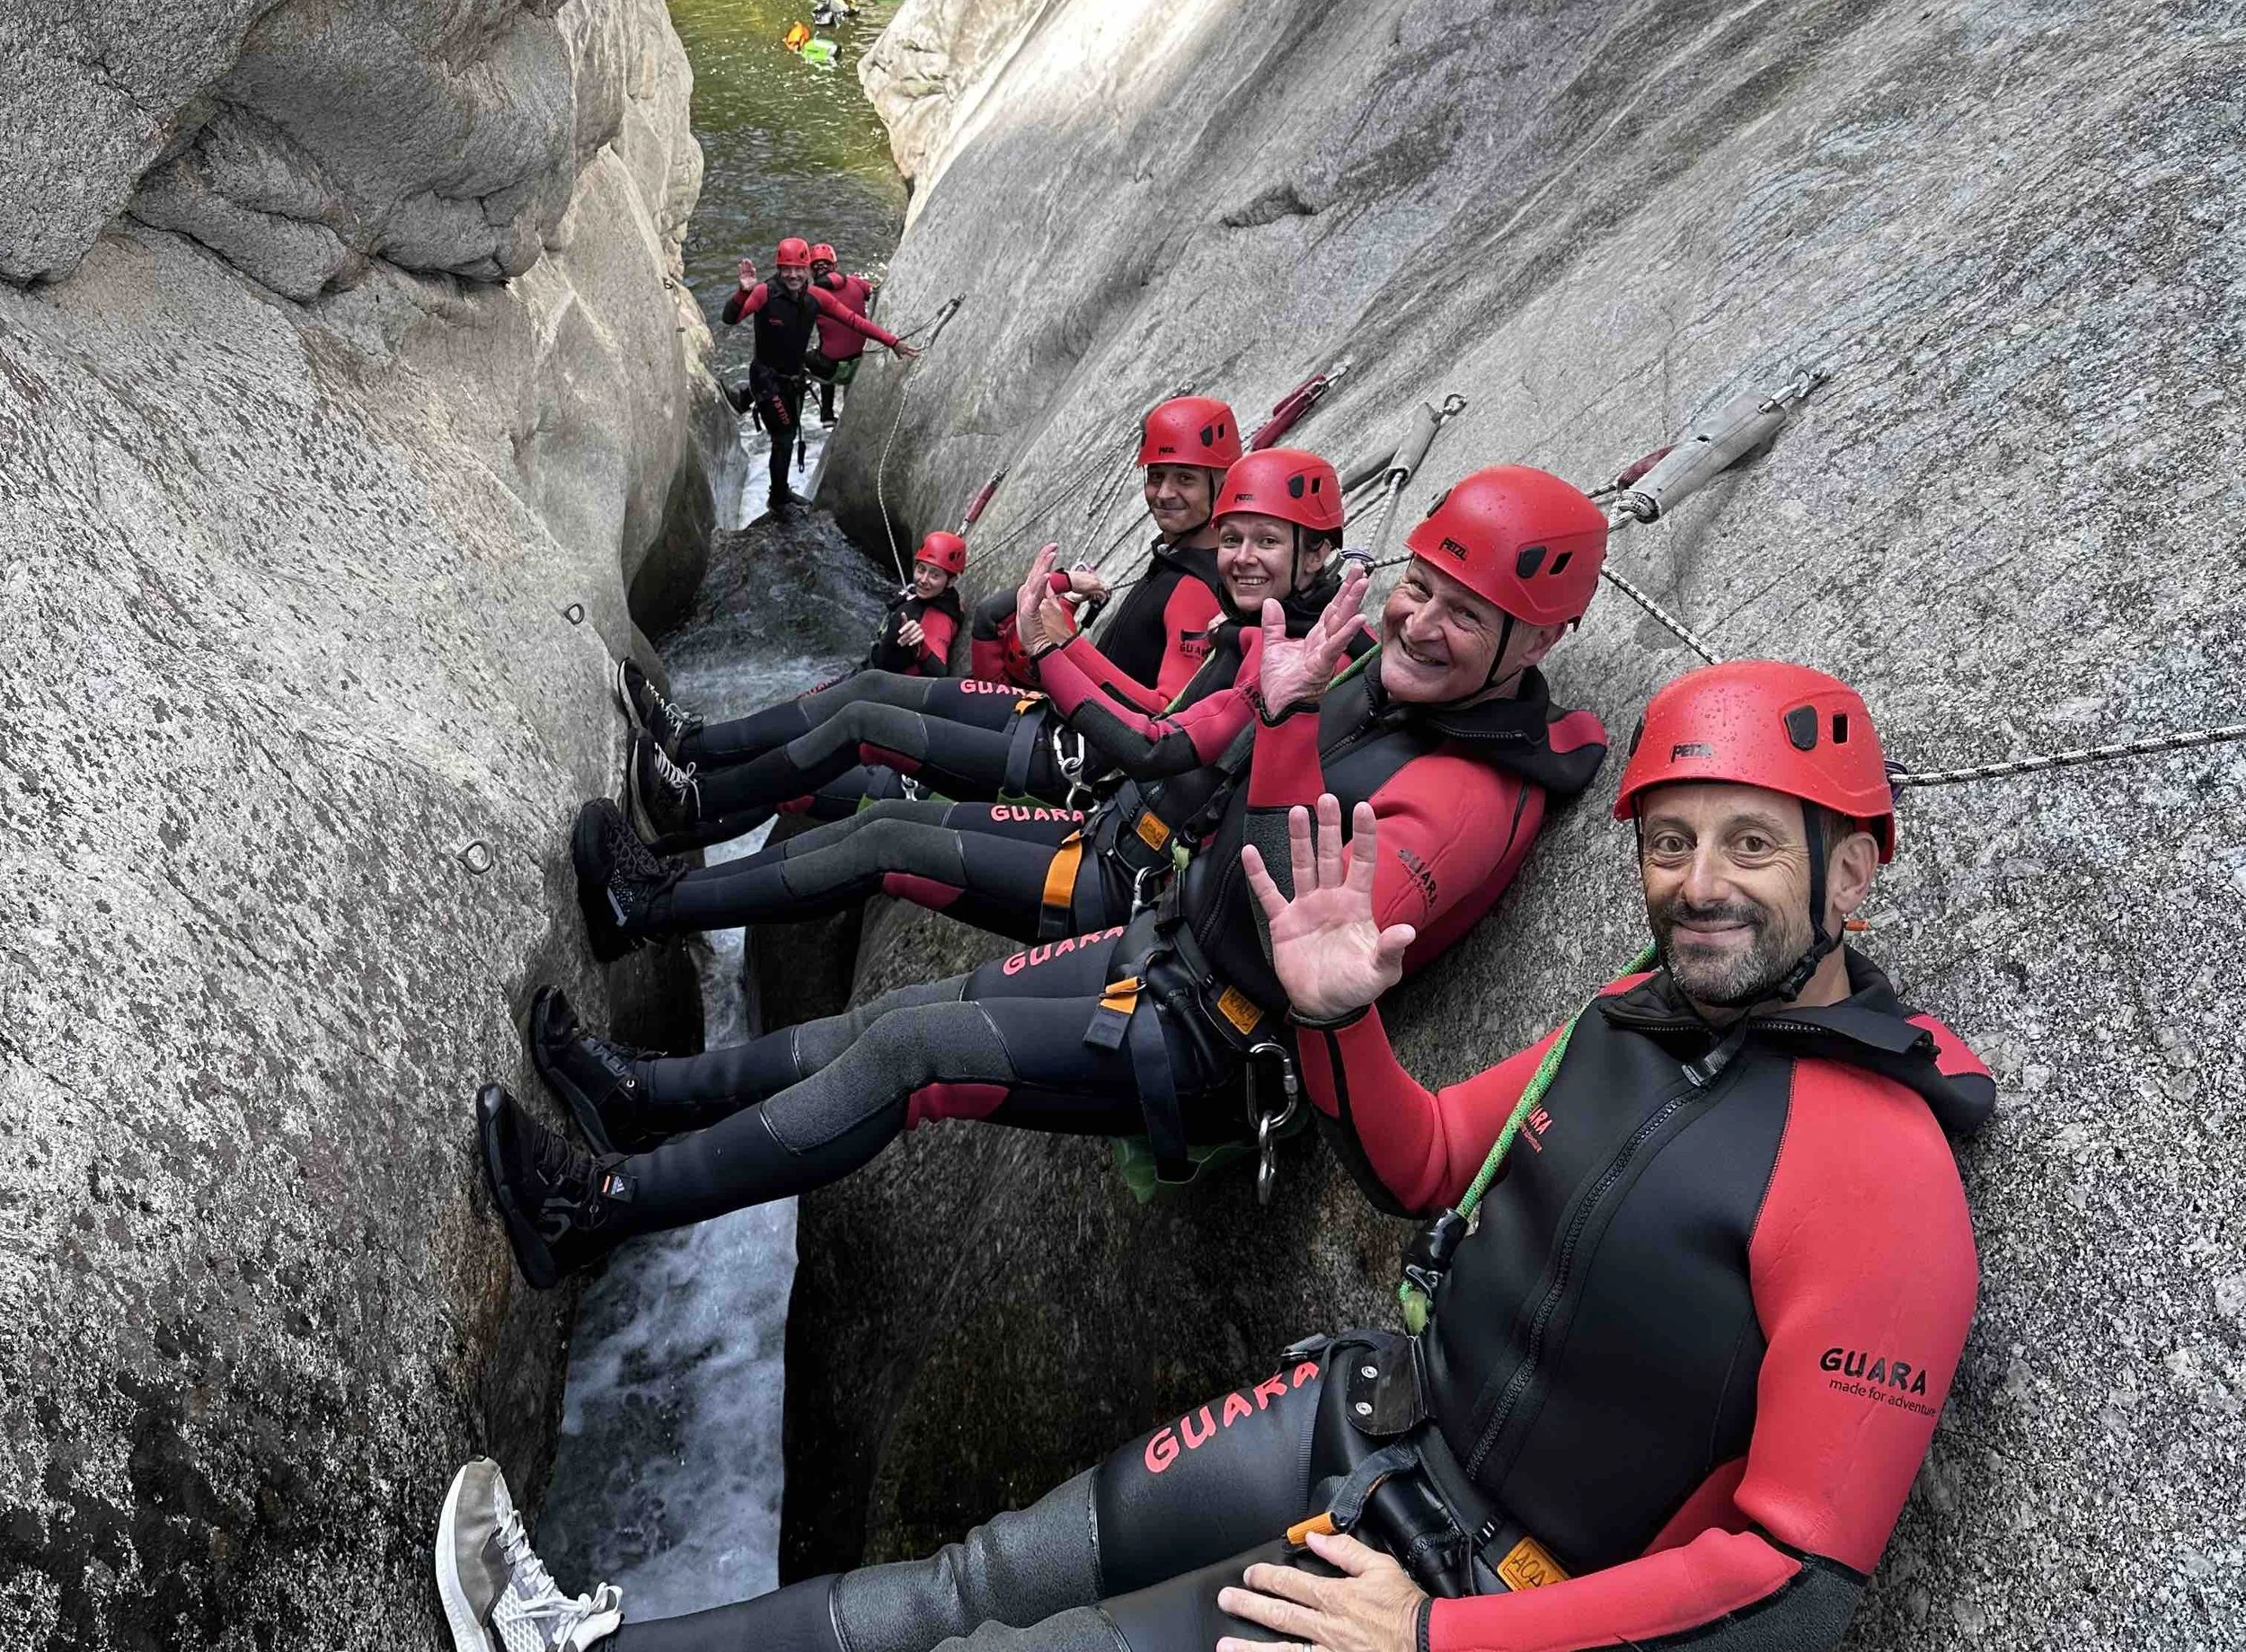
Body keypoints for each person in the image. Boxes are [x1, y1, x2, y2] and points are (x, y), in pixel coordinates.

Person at [307, 657, 1988, 1652]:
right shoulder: (1624, 1020)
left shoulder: (1881, 1179)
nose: (1699, 885)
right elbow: (1419, 1163)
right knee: (960, 1582)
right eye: (1672, 839)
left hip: (1461, 1597)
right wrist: (1343, 1021)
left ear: (1859, 860)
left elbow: (1794, 1574)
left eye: (1752, 842)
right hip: (1365, 1419)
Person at [486, 464, 1612, 1283]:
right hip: (1158, 944)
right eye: (1419, 587)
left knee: (914, 1050)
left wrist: (1277, 714)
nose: (1419, 623)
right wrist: (1094, 662)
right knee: (901, 1018)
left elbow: (1297, 942)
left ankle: (600, 1208)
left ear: (1537, 644)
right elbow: (1193, 742)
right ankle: (642, 1100)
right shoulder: (1361, 665)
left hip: (1205, 1040)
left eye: (1467, 615)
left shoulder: (1466, 801)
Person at [579, 453, 1366, 957]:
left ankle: (680, 829)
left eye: (1184, 481)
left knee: (865, 751)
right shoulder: (1244, 614)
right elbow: (1169, 721)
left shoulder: (1240, 620)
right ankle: (692, 769)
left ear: (1318, 551)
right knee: (868, 717)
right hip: (1098, 806)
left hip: (1096, 808)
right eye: (1236, 536)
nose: (1163, 493)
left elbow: (1159, 735)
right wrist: (1056, 639)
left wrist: (1058, 650)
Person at [968, 395, 1237, 694]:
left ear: (1224, 483)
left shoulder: (1196, 588)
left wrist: (1068, 644)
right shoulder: (1174, 560)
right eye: (1156, 477)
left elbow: (1165, 718)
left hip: (1083, 734)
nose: (1163, 493)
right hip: (1077, 720)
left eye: (1185, 479)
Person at [722, 237, 914, 509]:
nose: (792, 275)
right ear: (779, 268)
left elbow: (853, 320)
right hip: (767, 379)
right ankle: (777, 497)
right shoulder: (765, 293)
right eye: (786, 268)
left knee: (786, 437)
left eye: (799, 268)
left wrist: (892, 341)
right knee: (784, 438)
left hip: (793, 379)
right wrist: (743, 292)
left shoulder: (815, 298)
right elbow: (730, 318)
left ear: (808, 270)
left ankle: (779, 492)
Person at [867, 529, 968, 678]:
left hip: (881, 683)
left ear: (951, 582)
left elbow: (938, 672)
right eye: (921, 569)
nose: (923, 579)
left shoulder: (938, 619)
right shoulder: (937, 597)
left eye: (935, 575)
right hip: (874, 667)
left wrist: (921, 647)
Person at [805, 244, 875, 426]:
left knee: (811, 355)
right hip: (862, 360)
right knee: (823, 350)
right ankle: (827, 414)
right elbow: (873, 292)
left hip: (834, 369)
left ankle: (826, 414)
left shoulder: (811, 295)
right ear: (835, 266)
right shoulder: (855, 282)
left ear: (812, 272)